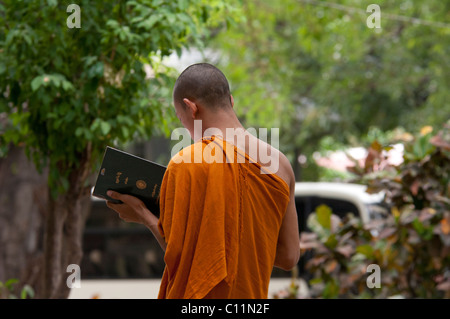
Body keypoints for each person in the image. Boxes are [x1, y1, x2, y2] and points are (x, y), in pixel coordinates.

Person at [106, 63, 300, 299]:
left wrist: (143, 216)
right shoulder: (279, 164)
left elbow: (184, 261)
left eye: (181, 118)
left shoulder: (186, 163)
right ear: (231, 101)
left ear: (190, 108)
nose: (186, 130)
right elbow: (289, 257)